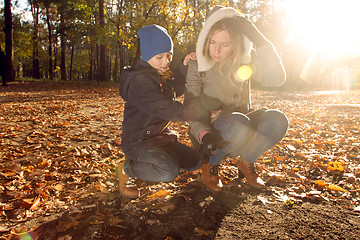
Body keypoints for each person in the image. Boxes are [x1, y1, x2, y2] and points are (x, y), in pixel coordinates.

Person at [184, 6, 289, 190]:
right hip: (210, 133)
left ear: (236, 45)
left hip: (242, 126)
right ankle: (210, 164)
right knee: (237, 122)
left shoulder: (243, 63)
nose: (216, 51)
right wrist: (205, 131)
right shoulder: (196, 65)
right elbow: (191, 110)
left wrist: (256, 36)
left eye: (224, 45)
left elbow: (277, 78)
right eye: (212, 42)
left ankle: (246, 161)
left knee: (278, 120)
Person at [118, 24, 209, 198]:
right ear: (145, 56)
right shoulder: (139, 82)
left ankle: (160, 158)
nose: (166, 61)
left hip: (159, 138)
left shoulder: (156, 74)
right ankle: (127, 169)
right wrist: (202, 112)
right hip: (138, 141)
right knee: (168, 172)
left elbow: (173, 88)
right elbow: (168, 109)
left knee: (196, 161)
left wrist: (183, 67)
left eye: (169, 56)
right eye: (159, 57)